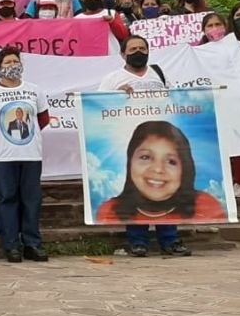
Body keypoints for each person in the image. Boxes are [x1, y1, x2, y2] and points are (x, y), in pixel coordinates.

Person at [96, 36, 193, 256]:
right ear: (123, 54)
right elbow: (97, 106)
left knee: (166, 190)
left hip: (163, 139)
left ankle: (170, 240)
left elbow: (177, 99)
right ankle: (137, 240)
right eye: (133, 49)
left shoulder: (159, 74)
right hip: (131, 140)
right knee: (137, 189)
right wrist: (116, 95)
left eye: (142, 48)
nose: (138, 51)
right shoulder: (113, 79)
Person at [0, 46, 51, 263]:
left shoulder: (34, 90)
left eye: (15, 61)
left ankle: (32, 244)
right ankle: (11, 246)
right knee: (7, 199)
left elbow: (43, 119)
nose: (12, 66)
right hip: (2, 157)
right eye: (7, 62)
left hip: (31, 154)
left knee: (31, 200)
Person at [95, 121, 225, 226]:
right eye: (145, 157)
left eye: (171, 161)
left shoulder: (205, 207)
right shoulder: (109, 211)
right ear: (130, 162)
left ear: (185, 168)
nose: (158, 169)